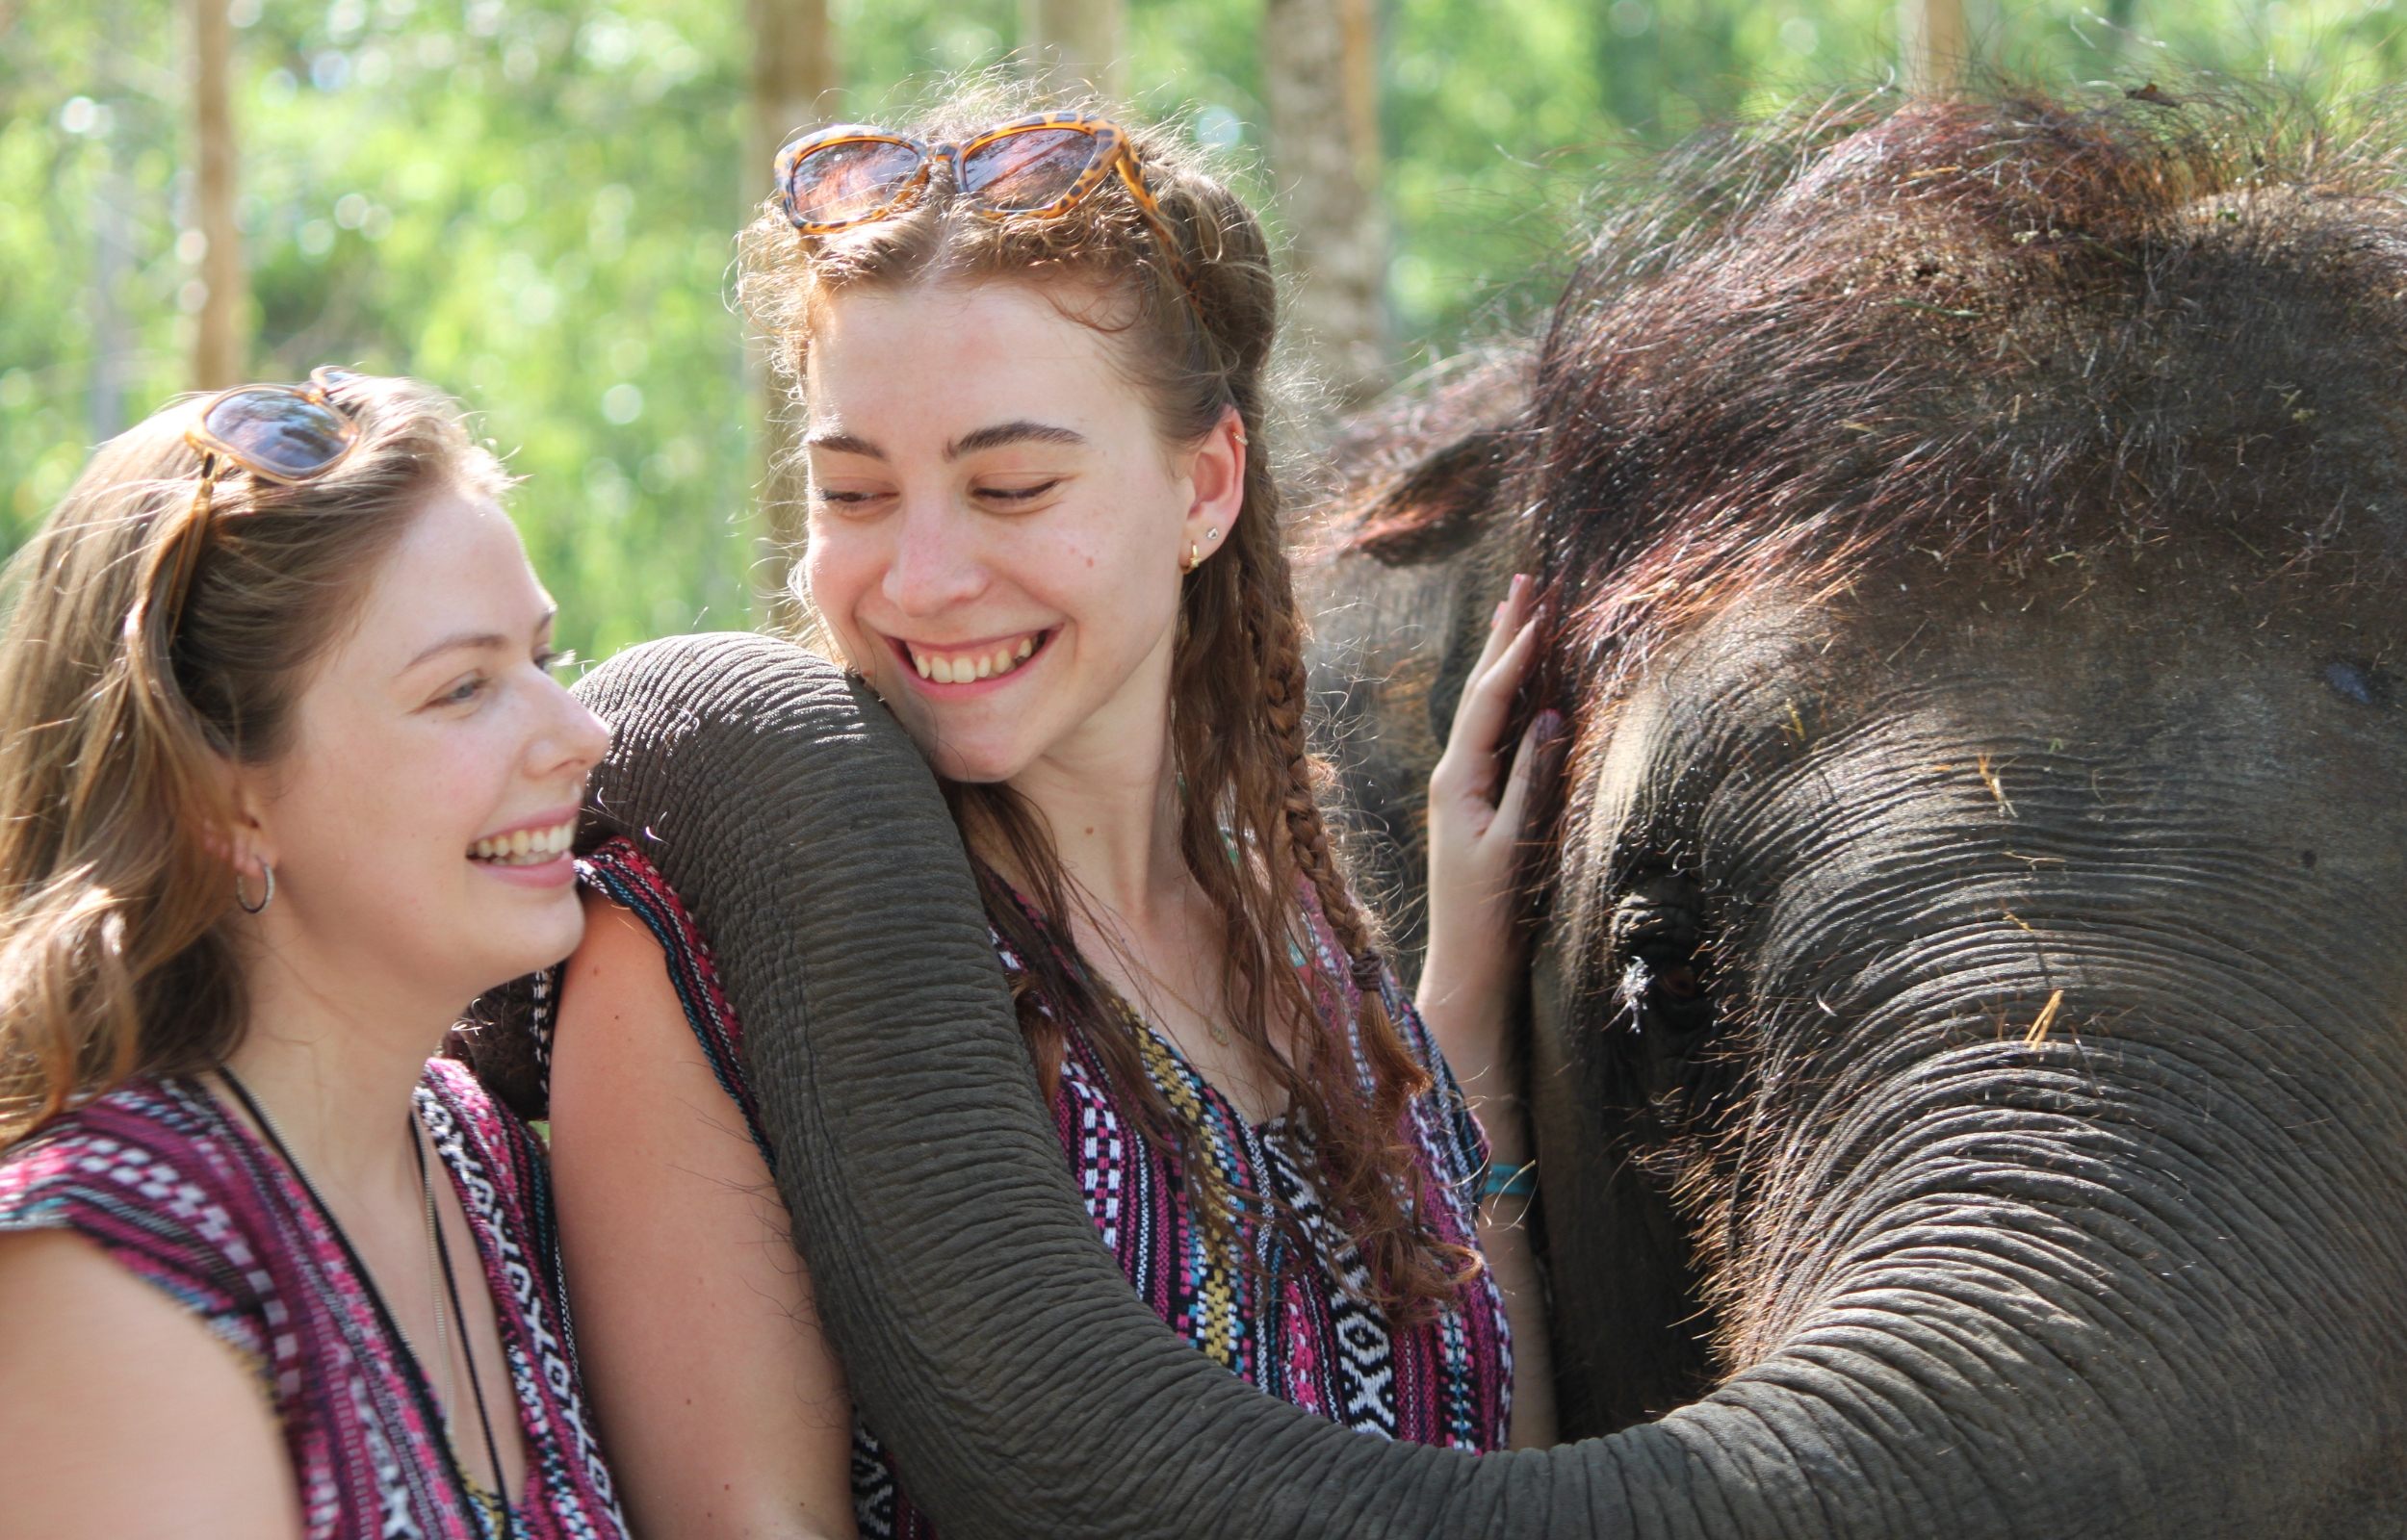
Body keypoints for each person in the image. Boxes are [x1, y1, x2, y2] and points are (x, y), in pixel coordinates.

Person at [544, 96, 1557, 1540]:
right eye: (855, 491)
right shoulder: (706, 944)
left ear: (1203, 485)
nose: (923, 577)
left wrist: (1463, 1003)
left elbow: (1493, 1474)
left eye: (1010, 486)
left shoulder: (1303, 946)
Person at [0, 372, 626, 1540]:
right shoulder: (105, 1282)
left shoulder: (474, 1153)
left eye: (545, 656)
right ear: (223, 795)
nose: (579, 732)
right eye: (463, 688)